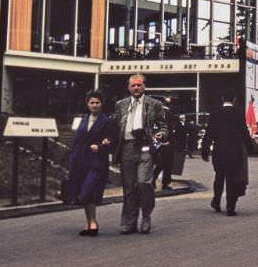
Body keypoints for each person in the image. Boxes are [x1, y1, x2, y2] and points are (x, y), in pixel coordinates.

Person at [114, 74, 167, 234]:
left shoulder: (154, 104)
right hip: (127, 147)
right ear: (128, 87)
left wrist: (161, 135)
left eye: (139, 85)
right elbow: (117, 127)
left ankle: (146, 216)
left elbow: (163, 126)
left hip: (145, 147)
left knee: (144, 183)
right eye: (133, 85)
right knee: (129, 187)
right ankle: (129, 221)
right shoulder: (120, 105)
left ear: (144, 86)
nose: (136, 88)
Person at [64, 90, 119, 237]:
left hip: (97, 163)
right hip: (81, 161)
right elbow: (77, 141)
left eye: (97, 102)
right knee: (83, 192)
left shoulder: (107, 121)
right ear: (87, 104)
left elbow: (112, 142)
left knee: (88, 191)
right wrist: (72, 161)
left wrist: (101, 147)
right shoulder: (83, 119)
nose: (94, 105)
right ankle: (90, 223)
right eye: (92, 102)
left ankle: (93, 222)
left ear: (101, 104)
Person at [201, 90, 251, 216]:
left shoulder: (215, 114)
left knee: (219, 177)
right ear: (234, 100)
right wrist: (252, 148)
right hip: (234, 152)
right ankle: (230, 206)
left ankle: (216, 201)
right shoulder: (238, 114)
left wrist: (205, 150)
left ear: (222, 99)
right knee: (232, 178)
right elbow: (244, 133)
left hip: (219, 151)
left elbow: (209, 134)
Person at [152, 98, 177, 190]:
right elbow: (170, 129)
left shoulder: (157, 114)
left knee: (159, 162)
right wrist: (169, 141)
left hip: (157, 141)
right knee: (167, 163)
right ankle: (165, 183)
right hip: (167, 142)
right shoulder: (170, 115)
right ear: (171, 105)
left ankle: (153, 179)